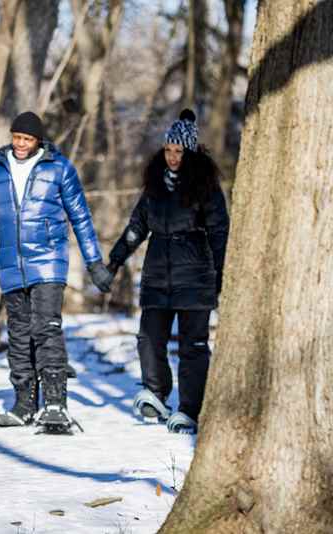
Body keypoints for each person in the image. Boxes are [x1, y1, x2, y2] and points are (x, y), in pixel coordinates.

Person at [0, 111, 113, 432]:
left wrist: (94, 263)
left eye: (28, 139)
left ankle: (54, 402)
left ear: (38, 141)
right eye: (17, 138)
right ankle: (24, 403)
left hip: (48, 260)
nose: (21, 145)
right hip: (11, 264)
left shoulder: (58, 168)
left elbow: (80, 217)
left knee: (46, 328)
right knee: (18, 336)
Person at [106, 109, 229, 434]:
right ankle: (156, 393)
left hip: (196, 277)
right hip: (158, 274)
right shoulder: (154, 188)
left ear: (189, 152)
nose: (173, 157)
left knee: (193, 346)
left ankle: (190, 408)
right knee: (149, 338)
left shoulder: (206, 187)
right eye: (168, 150)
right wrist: (114, 262)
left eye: (179, 151)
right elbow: (136, 229)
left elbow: (219, 232)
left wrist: (221, 277)